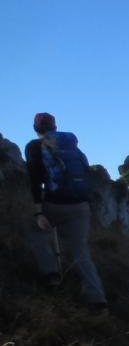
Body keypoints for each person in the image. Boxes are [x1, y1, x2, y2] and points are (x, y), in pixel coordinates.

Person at [23, 112, 107, 311]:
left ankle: (51, 275)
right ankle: (97, 300)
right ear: (55, 126)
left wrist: (38, 212)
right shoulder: (73, 148)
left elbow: (35, 179)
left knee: (37, 233)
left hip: (54, 204)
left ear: (36, 128)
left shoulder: (35, 147)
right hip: (81, 207)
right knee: (81, 252)